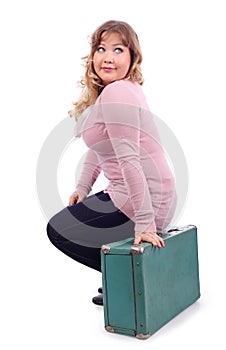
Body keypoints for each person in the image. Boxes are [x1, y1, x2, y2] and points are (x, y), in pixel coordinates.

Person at [47, 20, 177, 305]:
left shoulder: (118, 93)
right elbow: (102, 148)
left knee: (58, 231)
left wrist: (145, 224)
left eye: (118, 49)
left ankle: (128, 279)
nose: (108, 57)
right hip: (139, 192)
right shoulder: (117, 90)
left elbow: (130, 160)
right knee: (73, 223)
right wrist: (83, 186)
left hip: (143, 197)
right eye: (101, 48)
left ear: (132, 58)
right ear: (92, 55)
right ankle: (127, 275)